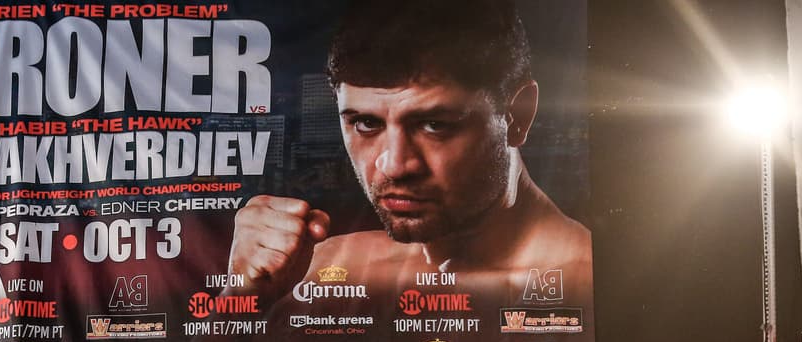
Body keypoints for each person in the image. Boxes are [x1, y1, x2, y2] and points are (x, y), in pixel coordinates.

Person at [226, 0, 591, 298]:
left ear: (517, 116)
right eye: (367, 124)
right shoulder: (327, 269)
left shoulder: (592, 278)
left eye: (434, 125)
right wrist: (239, 301)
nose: (395, 165)